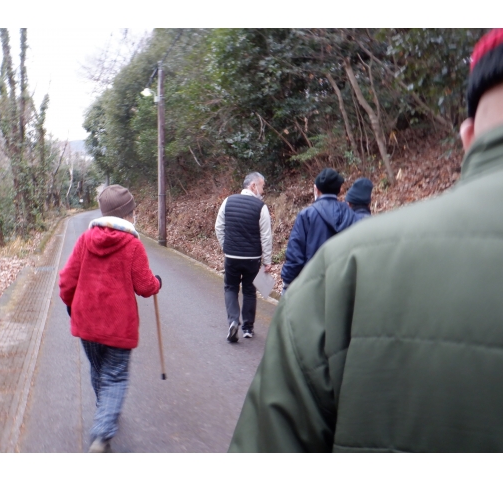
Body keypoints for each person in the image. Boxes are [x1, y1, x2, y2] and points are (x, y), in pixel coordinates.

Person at [229, 29, 503, 452]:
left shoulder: (334, 268)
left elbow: (293, 258)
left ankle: (242, 322)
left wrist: (288, 289)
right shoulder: (357, 226)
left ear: (467, 138)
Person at [59, 184, 161, 453]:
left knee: (98, 368)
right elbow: (145, 286)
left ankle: (104, 408)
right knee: (115, 376)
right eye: (133, 211)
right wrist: (157, 283)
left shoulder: (85, 240)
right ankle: (102, 432)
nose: (134, 215)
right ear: (127, 214)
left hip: (87, 323)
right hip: (118, 326)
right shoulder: (132, 245)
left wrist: (70, 304)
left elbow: (67, 280)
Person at [215, 172, 272, 342]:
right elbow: (266, 236)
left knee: (230, 288)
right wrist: (267, 261)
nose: (263, 191)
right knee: (249, 290)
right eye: (262, 186)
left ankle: (233, 321)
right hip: (252, 258)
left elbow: (219, 227)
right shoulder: (261, 207)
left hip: (232, 256)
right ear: (253, 186)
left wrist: (226, 247)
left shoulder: (228, 201)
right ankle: (247, 328)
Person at [280, 168, 357, 293]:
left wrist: (288, 282)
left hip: (313, 285)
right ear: (339, 190)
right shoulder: (350, 214)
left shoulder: (307, 215)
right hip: (342, 285)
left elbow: (295, 254)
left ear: (316, 189)